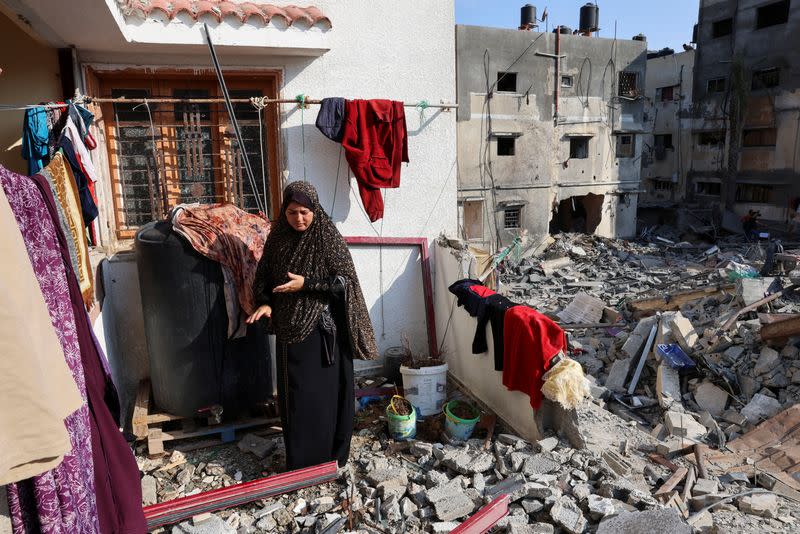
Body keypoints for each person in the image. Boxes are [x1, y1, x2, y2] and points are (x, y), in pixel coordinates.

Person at [248, 181, 378, 471]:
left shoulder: (326, 237)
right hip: (287, 329)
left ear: (315, 210)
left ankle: (326, 460)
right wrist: (266, 301)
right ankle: (301, 464)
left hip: (321, 332)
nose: (299, 219)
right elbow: (264, 275)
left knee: (319, 398)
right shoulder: (278, 237)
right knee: (294, 399)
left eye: (305, 212)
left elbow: (345, 282)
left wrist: (306, 284)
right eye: (292, 212)